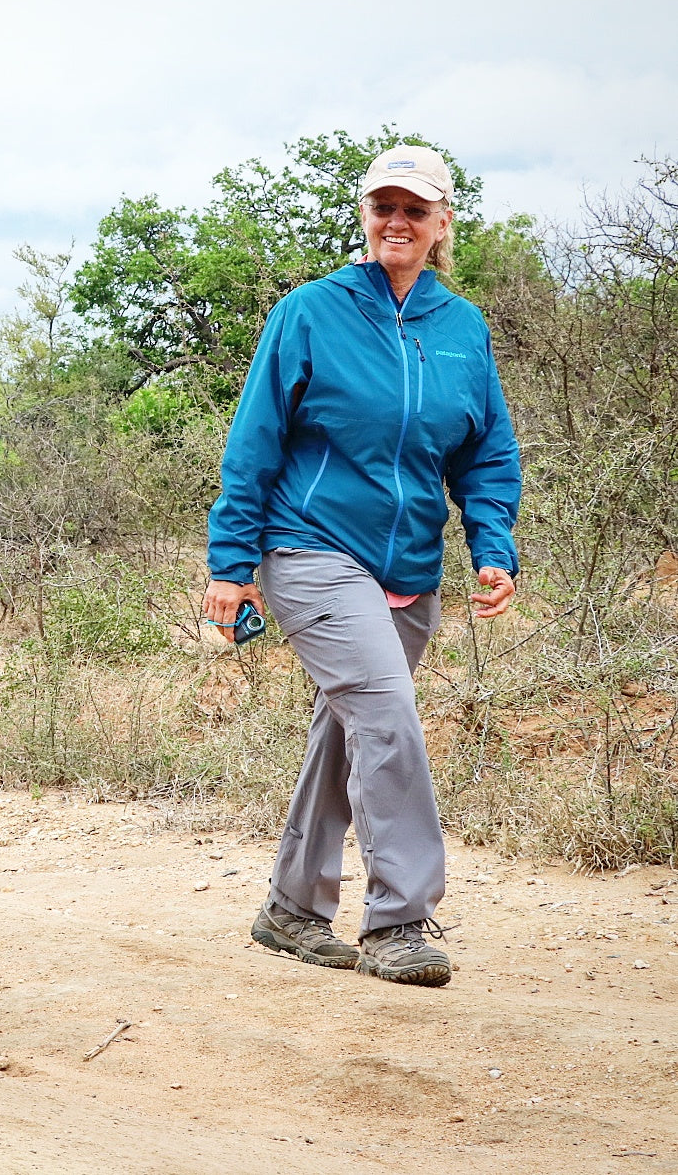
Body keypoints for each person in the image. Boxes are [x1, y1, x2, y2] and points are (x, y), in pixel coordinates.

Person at [202, 144, 521, 987]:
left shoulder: (462, 328)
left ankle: (291, 909)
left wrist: (493, 546)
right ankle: (399, 921)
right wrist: (231, 566)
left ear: (443, 222)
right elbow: (255, 441)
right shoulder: (312, 311)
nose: (397, 222)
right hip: (309, 549)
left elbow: (486, 453)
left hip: (412, 566)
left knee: (349, 731)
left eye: (415, 209)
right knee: (386, 716)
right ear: (364, 216)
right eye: (384, 206)